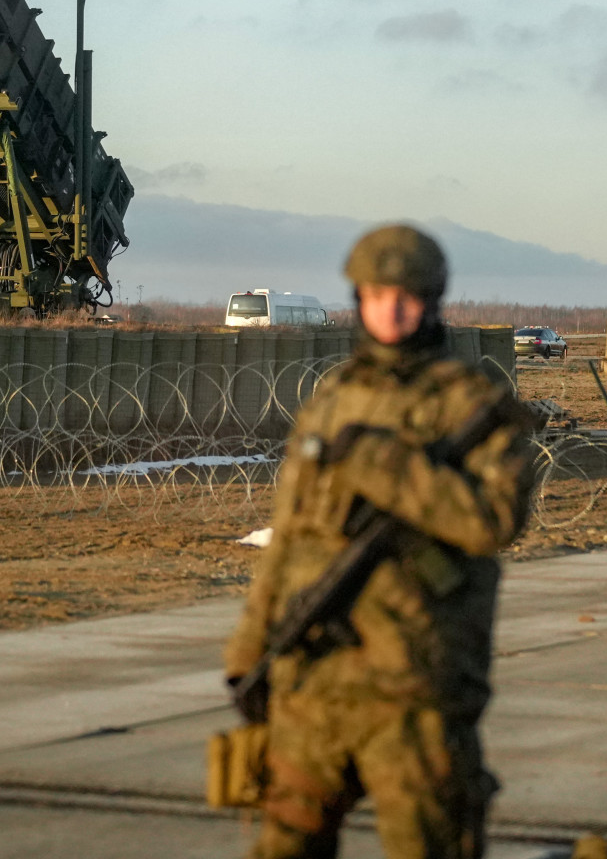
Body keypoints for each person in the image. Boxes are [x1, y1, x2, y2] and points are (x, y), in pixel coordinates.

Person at [224, 224, 538, 859]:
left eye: (406, 295)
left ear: (432, 300)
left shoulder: (472, 404)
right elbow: (290, 538)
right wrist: (250, 649)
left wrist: (386, 466)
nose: (389, 310)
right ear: (358, 298)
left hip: (416, 685)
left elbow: (493, 520)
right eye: (375, 294)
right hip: (315, 678)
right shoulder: (335, 399)